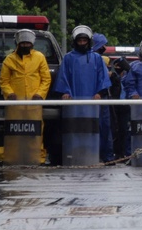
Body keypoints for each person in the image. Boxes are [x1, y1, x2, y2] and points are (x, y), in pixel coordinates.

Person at [0, 29, 52, 163]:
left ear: (32, 44)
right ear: (17, 44)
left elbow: (46, 79)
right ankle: (11, 156)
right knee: (14, 133)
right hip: (15, 106)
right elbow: (4, 81)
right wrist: (10, 94)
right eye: (22, 43)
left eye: (27, 43)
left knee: (35, 132)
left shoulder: (40, 57)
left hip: (34, 105)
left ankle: (36, 158)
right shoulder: (9, 59)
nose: (25, 46)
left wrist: (40, 94)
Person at [53, 25, 112, 162]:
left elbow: (103, 78)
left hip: (93, 102)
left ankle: (96, 155)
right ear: (75, 41)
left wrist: (99, 92)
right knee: (73, 128)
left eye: (84, 41)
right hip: (74, 102)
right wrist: (65, 92)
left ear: (89, 41)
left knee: (95, 128)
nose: (82, 43)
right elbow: (63, 77)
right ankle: (73, 154)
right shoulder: (68, 58)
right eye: (79, 41)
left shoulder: (97, 58)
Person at [91, 32, 114, 162]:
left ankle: (107, 156)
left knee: (105, 127)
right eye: (102, 46)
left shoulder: (98, 60)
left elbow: (104, 82)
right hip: (95, 98)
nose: (104, 48)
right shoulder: (93, 59)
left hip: (101, 97)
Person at [108, 56, 131, 159]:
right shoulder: (113, 77)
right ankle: (117, 152)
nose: (117, 68)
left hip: (125, 106)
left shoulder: (128, 76)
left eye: (119, 66)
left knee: (124, 130)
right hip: (115, 106)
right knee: (115, 129)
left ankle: (124, 152)